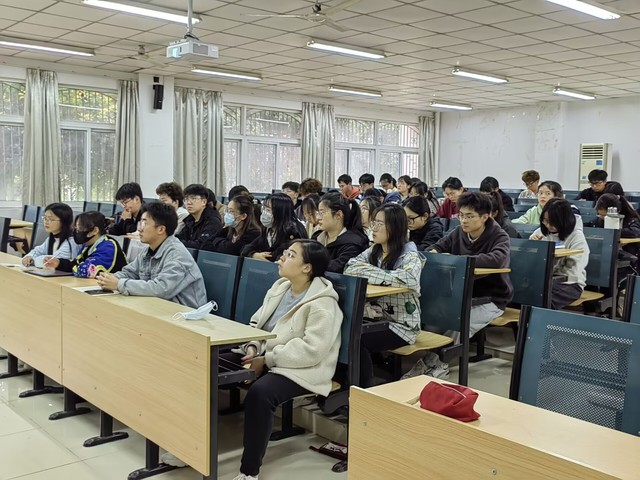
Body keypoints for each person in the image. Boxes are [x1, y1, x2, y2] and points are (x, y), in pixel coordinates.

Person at [230, 239, 343, 480]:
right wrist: (252, 348)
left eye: (291, 255)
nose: (282, 258)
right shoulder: (281, 287)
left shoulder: (323, 303)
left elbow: (312, 350)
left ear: (307, 268)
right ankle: (191, 448)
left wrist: (267, 360)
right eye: (285, 253)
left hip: (303, 368)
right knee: (208, 364)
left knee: (261, 393)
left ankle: (249, 472)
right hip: (267, 356)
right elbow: (257, 323)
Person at [344, 204, 425, 387]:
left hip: (402, 325)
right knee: (341, 332)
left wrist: (368, 271)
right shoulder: (375, 250)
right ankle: (344, 385)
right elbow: (350, 267)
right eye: (374, 222)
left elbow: (409, 279)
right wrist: (381, 274)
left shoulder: (410, 255)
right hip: (376, 318)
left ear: (395, 227)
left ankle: (364, 390)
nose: (374, 228)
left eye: (380, 224)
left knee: (357, 340)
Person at [430, 192, 513, 339]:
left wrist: (458, 260)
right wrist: (434, 253)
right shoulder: (458, 232)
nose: (463, 221)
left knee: (460, 324)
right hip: (461, 295)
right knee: (432, 317)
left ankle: (443, 354)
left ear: (484, 217)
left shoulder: (499, 236)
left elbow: (497, 259)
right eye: (461, 215)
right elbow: (437, 247)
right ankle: (432, 349)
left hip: (491, 299)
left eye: (469, 216)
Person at [95, 202, 207, 308]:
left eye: (144, 223)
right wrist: (108, 278)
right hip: (159, 307)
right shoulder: (148, 250)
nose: (139, 229)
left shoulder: (177, 255)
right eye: (140, 223)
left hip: (184, 314)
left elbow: (161, 289)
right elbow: (130, 272)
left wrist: (119, 284)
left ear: (161, 229)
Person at [530, 199, 589, 310]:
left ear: (564, 220)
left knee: (542, 298)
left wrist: (550, 274)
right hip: (544, 280)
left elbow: (574, 270)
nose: (548, 225)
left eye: (553, 222)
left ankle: (538, 320)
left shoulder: (576, 237)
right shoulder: (540, 233)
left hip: (570, 283)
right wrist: (533, 246)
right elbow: (529, 260)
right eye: (545, 221)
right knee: (519, 293)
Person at [594, 193, 640, 316]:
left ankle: (612, 308)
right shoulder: (600, 220)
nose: (602, 218)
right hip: (607, 258)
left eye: (605, 216)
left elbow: (636, 233)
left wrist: (614, 232)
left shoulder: (631, 220)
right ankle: (597, 306)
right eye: (600, 215)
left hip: (629, 262)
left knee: (610, 275)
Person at [44, 211, 127, 278]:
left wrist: (74, 267)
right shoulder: (87, 245)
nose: (76, 231)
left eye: (80, 228)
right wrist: (59, 263)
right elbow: (76, 262)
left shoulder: (108, 246)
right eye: (76, 228)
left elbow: (86, 270)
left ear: (95, 230)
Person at [312, 192, 368, 273]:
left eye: (322, 213)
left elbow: (338, 268)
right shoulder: (316, 238)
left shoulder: (353, 243)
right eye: (318, 213)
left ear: (338, 215)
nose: (318, 218)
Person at [241, 193, 307, 262]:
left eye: (268, 210)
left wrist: (258, 256)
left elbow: (275, 257)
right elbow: (246, 249)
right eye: (264, 209)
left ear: (280, 212)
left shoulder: (292, 232)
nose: (264, 213)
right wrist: (254, 255)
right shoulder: (269, 229)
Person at [176, 184, 223, 250]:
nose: (188, 203)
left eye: (193, 199)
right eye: (186, 199)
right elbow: (181, 237)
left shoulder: (213, 221)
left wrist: (177, 243)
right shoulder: (190, 219)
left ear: (204, 202)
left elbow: (202, 245)